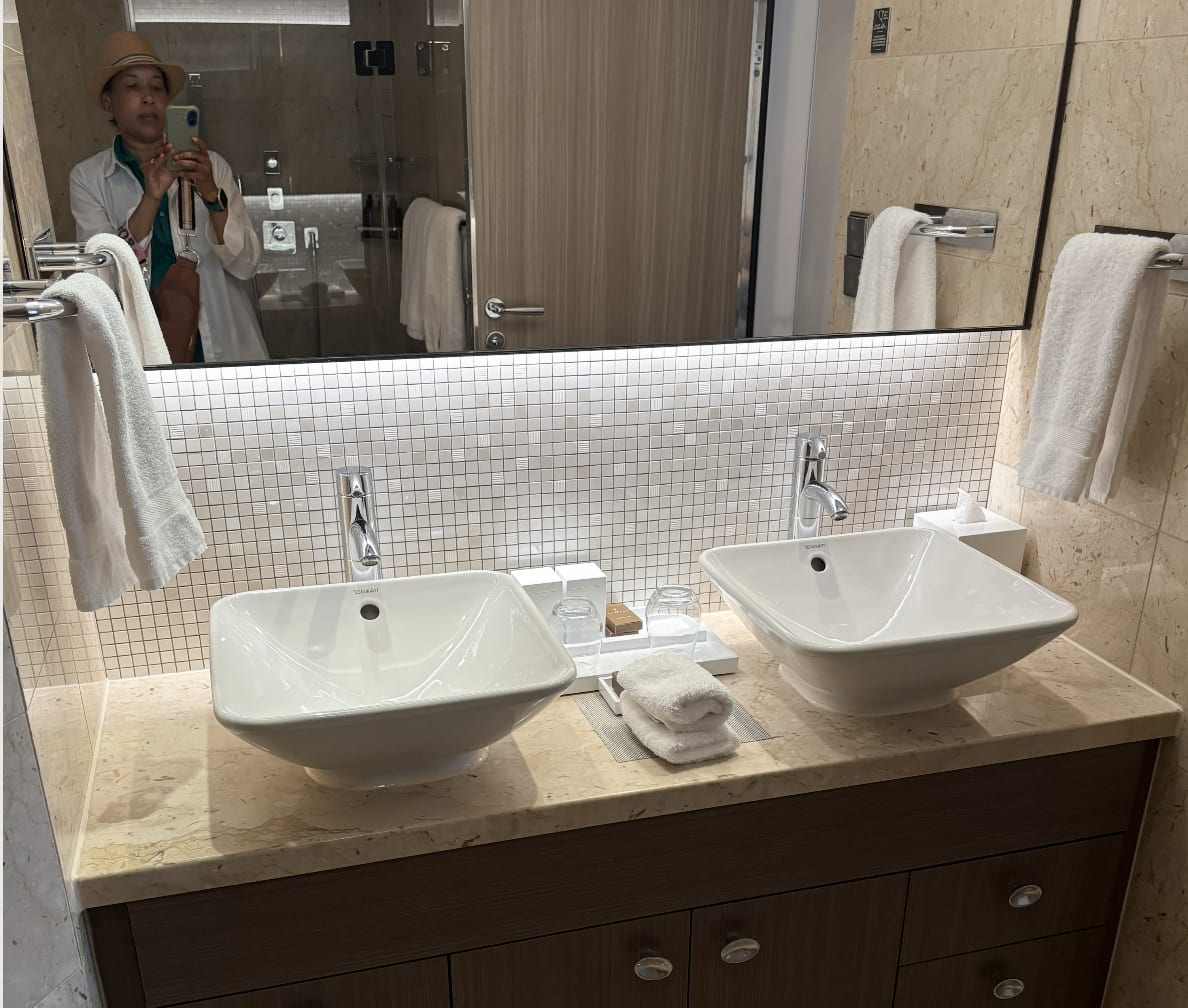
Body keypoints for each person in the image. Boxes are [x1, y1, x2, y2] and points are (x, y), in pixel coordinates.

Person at [70, 31, 268, 362]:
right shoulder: (89, 178)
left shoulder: (211, 167)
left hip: (225, 346)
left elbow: (247, 264)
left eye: (156, 87)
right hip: (147, 353)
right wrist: (151, 198)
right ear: (108, 101)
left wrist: (211, 194)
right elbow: (101, 278)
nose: (147, 97)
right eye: (132, 86)